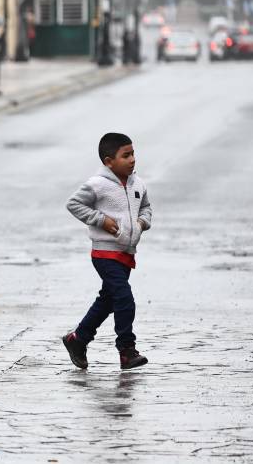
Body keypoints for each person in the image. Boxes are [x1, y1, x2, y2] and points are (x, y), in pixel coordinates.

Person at [62, 132, 152, 370]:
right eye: (126, 155)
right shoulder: (97, 185)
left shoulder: (138, 184)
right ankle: (127, 350)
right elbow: (74, 204)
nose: (132, 159)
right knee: (124, 298)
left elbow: (146, 208)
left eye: (133, 154)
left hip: (127, 252)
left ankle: (78, 339)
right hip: (104, 253)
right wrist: (100, 220)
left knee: (108, 300)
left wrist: (142, 222)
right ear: (108, 161)